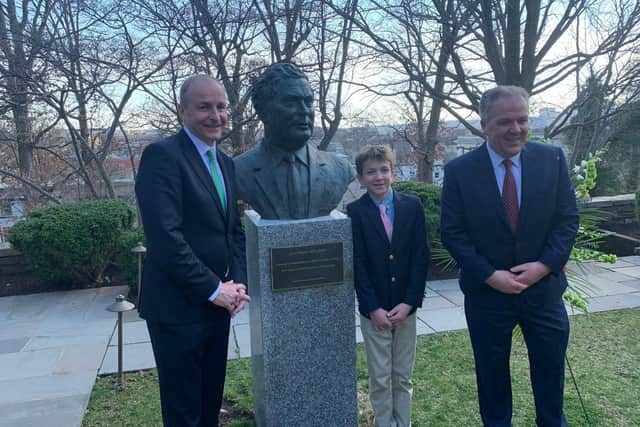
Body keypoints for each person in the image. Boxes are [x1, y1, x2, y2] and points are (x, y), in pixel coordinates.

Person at [440, 85, 579, 426]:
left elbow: (568, 220)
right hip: (487, 296)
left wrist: (543, 266)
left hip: (543, 294)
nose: (516, 129)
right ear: (484, 124)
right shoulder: (459, 171)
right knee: (492, 380)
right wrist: (490, 275)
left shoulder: (553, 159)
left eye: (523, 120)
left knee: (550, 377)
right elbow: (452, 232)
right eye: (505, 122)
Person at [135, 75, 250, 427]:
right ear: (182, 110)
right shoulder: (162, 157)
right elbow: (166, 239)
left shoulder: (226, 163)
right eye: (204, 107)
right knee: (184, 413)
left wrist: (239, 285)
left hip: (218, 307)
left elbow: (233, 231)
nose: (215, 115)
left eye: (221, 106)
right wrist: (215, 289)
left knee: (209, 405)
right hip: (177, 311)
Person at [347, 145, 429, 427]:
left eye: (384, 170)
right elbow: (357, 264)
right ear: (360, 178)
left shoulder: (412, 205)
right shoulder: (354, 212)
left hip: (406, 308)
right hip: (376, 312)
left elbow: (421, 257)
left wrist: (410, 303)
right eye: (371, 172)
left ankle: (402, 423)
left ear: (393, 173)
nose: (378, 177)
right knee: (380, 377)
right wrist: (373, 308)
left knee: (402, 375)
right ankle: (385, 423)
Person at [234, 62, 354, 219]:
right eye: (291, 102)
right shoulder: (237, 171)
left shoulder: (340, 169)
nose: (304, 111)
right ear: (262, 111)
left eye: (308, 102)